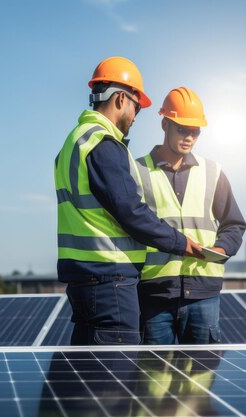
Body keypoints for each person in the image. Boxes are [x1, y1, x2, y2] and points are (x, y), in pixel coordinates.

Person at [54, 57, 203, 346]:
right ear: (121, 99)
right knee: (113, 378)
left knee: (86, 377)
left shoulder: (74, 141)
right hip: (110, 280)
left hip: (85, 278)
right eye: (137, 106)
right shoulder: (104, 143)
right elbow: (131, 212)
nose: (135, 116)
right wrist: (179, 242)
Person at [136, 87, 246, 344]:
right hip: (154, 295)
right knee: (154, 380)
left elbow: (234, 224)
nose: (189, 137)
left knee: (200, 378)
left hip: (203, 293)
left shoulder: (213, 172)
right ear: (165, 124)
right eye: (182, 129)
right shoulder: (137, 170)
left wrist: (221, 248)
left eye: (195, 131)